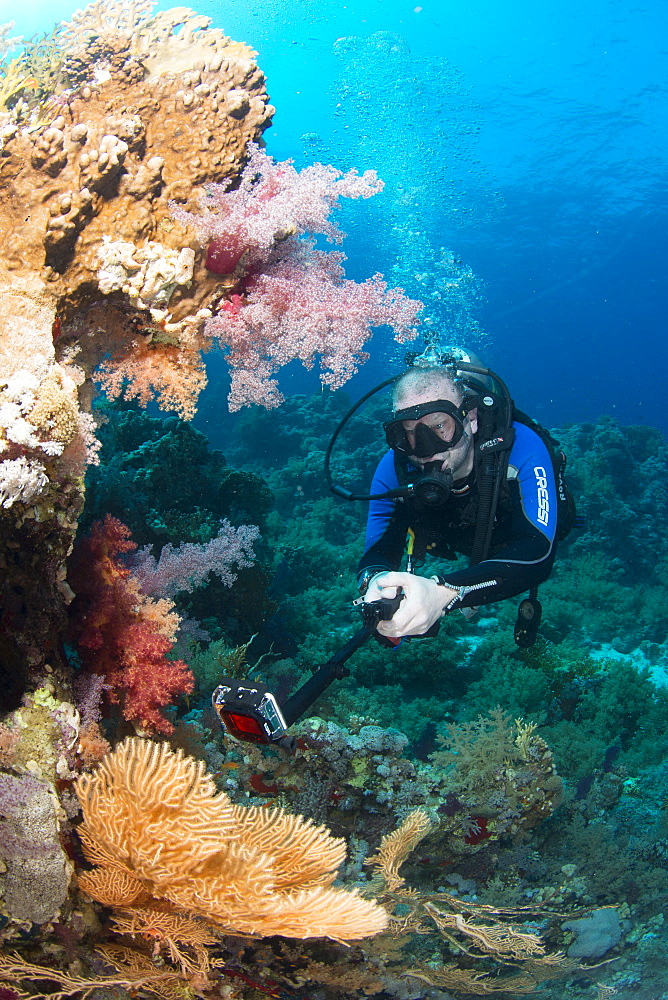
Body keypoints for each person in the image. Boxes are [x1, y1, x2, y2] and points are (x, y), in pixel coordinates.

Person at [357, 356, 559, 640]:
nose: (425, 449)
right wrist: (377, 585)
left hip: (513, 539)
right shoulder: (394, 468)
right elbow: (377, 551)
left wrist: (443, 593)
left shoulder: (521, 447)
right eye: (408, 432)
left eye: (440, 426)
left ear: (471, 419)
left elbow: (538, 552)